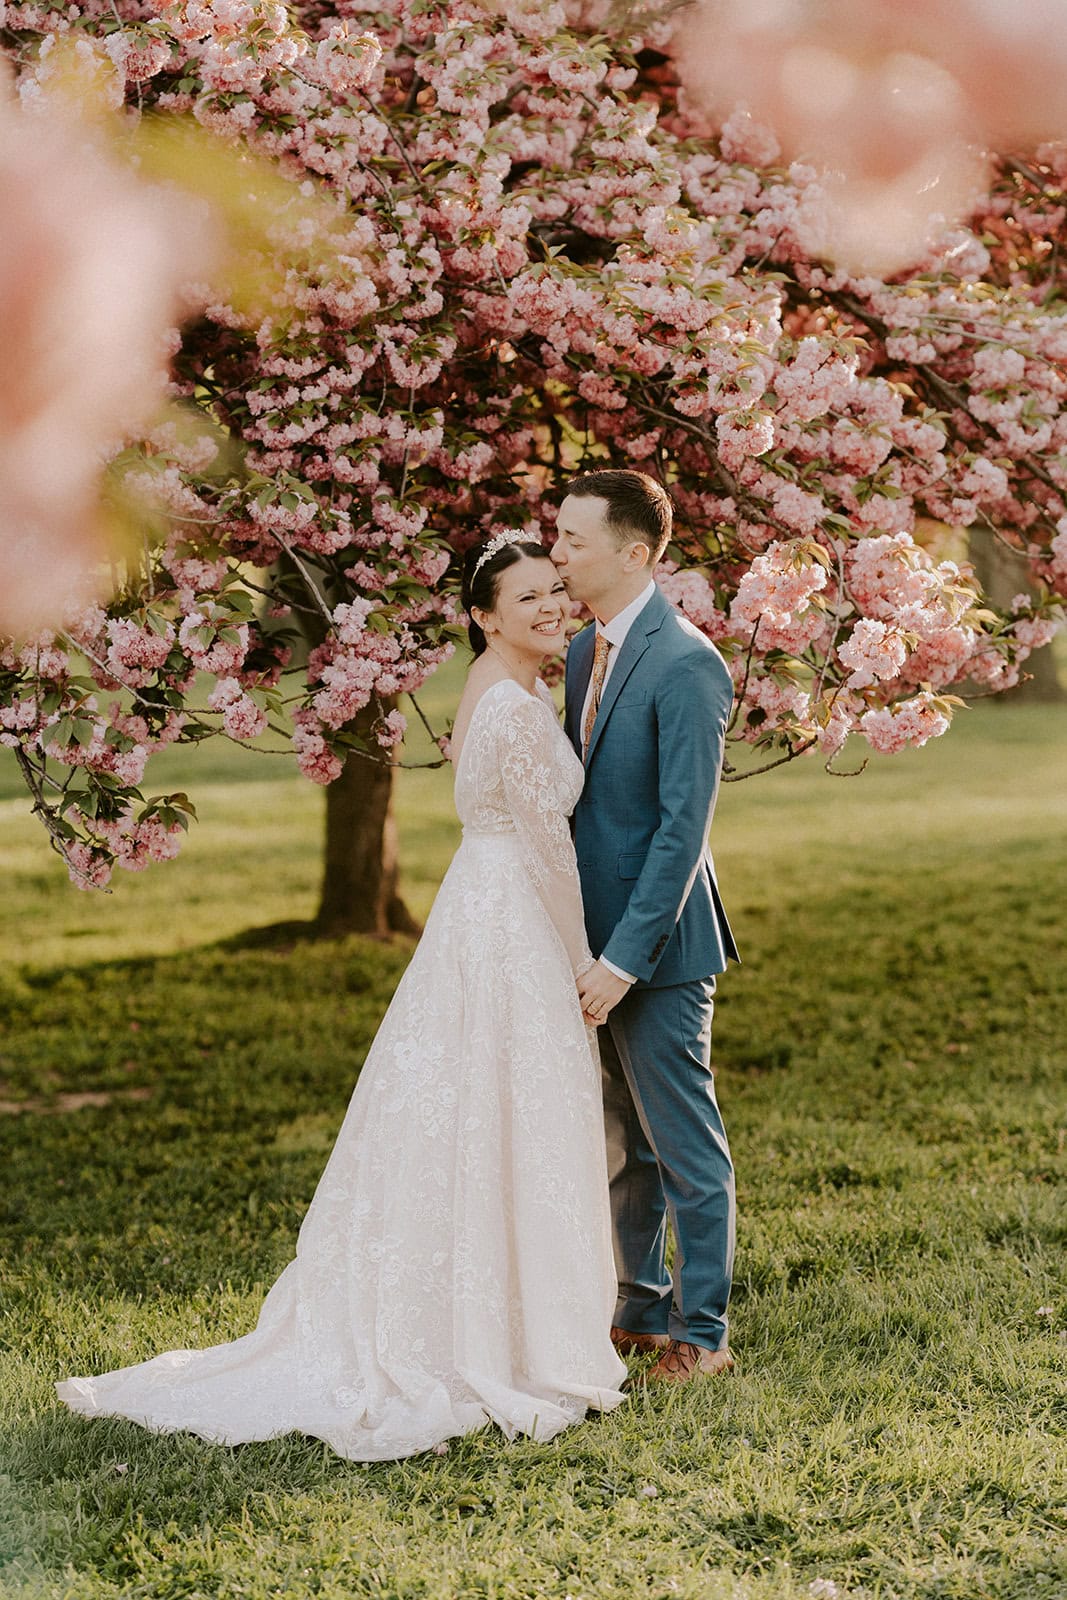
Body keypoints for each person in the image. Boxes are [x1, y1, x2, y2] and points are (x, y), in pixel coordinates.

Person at [56, 533, 625, 1461]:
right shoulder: (517, 711)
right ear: (483, 618)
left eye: (555, 589)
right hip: (515, 919)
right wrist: (582, 965)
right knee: (507, 1103)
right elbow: (549, 851)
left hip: (479, 911)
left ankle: (499, 1312)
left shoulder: (505, 688)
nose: (551, 606)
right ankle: (501, 1337)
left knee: (480, 1111)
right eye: (525, 599)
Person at [552, 470, 740, 1383]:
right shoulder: (585, 652)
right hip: (587, 942)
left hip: (656, 951)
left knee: (682, 1144)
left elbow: (681, 829)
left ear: (633, 554)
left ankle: (702, 1335)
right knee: (619, 1139)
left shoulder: (689, 663)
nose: (555, 554)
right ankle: (638, 1308)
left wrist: (624, 959)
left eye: (572, 541)